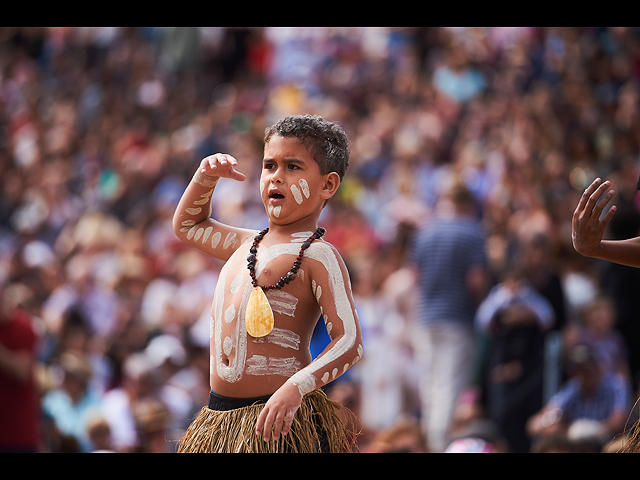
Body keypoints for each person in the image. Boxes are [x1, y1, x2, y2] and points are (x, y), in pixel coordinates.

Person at [174, 114, 363, 453]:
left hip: (278, 426)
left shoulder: (319, 256)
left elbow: (349, 341)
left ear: (328, 185)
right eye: (270, 165)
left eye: (293, 167)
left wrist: (296, 388)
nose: (276, 177)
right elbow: (188, 225)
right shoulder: (243, 244)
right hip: (220, 421)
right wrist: (205, 176)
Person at [410, 181, 489, 452]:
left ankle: (430, 444)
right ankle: (438, 447)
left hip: (426, 317)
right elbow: (476, 281)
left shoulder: (425, 232)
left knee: (431, 390)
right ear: (468, 204)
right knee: (448, 390)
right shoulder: (472, 232)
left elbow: (416, 278)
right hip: (457, 319)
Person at [526, 345, 632, 446]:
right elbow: (536, 423)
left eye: (586, 369)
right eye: (577, 369)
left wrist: (593, 430)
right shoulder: (573, 388)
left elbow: (619, 421)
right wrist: (550, 423)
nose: (582, 375)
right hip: (578, 445)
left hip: (611, 444)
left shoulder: (616, 385)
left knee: (579, 433)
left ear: (598, 368)